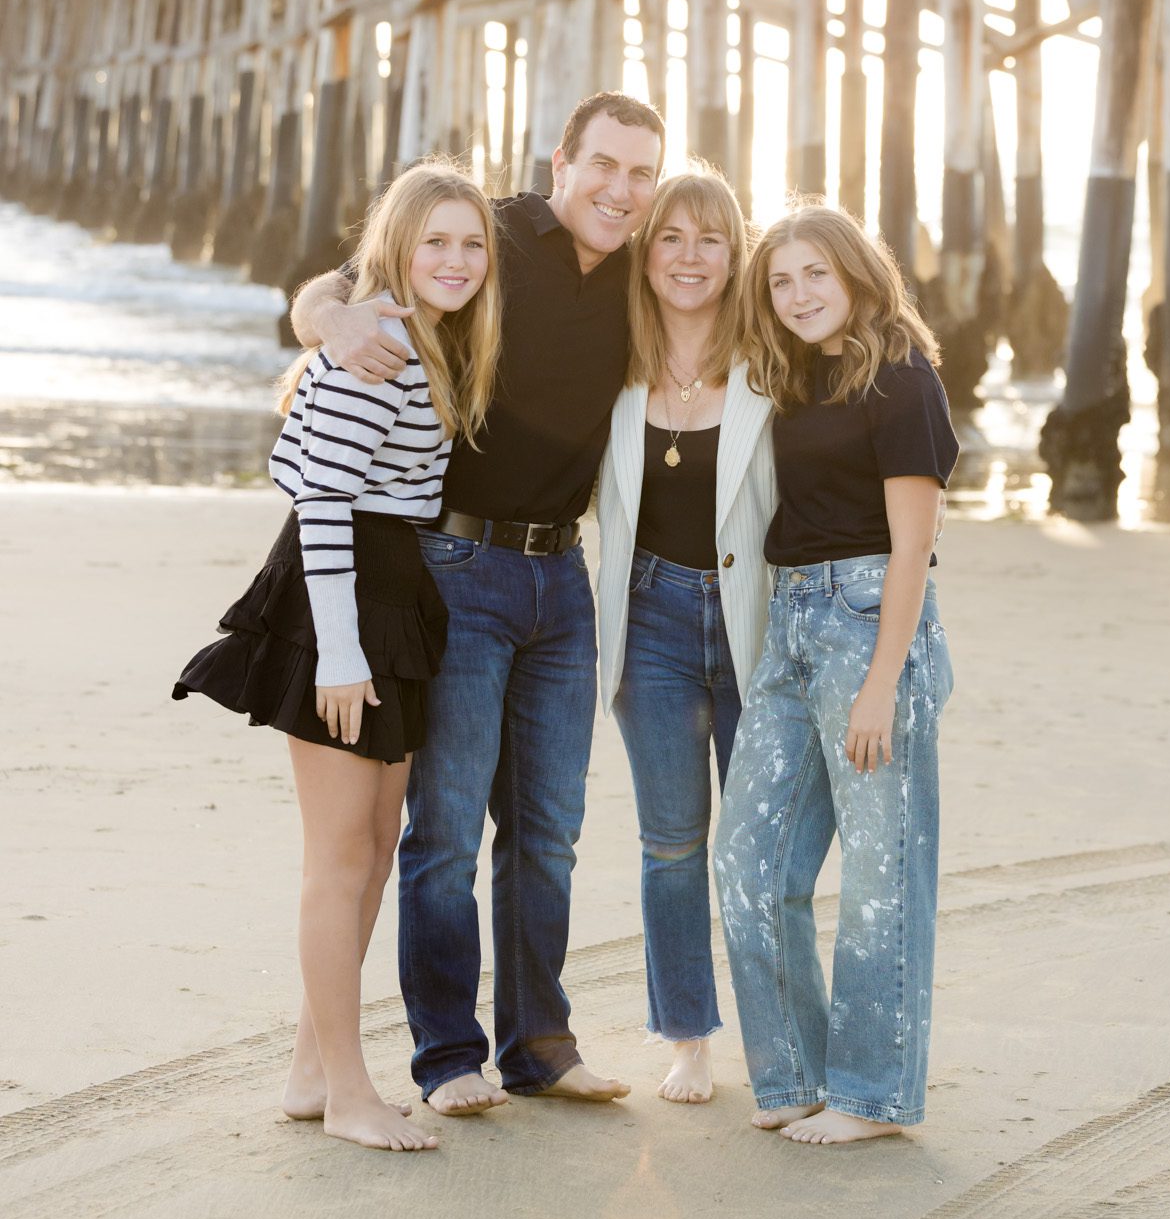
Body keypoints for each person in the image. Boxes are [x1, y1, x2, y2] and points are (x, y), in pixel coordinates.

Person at [290, 92, 664, 1114]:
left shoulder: (643, 269)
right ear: (562, 161)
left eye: (640, 173)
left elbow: (739, 290)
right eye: (603, 164)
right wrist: (330, 318)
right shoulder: (491, 235)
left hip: (562, 579)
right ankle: (448, 1056)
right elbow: (346, 278)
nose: (619, 190)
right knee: (445, 830)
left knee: (547, 830)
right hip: (457, 567)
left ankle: (539, 1046)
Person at [173, 160, 500, 1151]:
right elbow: (321, 501)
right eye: (435, 241)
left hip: (387, 585)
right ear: (396, 247)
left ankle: (314, 1070)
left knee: (375, 842)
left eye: (472, 243)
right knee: (340, 855)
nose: (457, 259)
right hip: (341, 592)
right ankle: (350, 1091)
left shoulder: (417, 339)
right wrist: (340, 655)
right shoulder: (380, 349)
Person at [713, 204, 958, 1147]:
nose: (798, 293)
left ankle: (870, 1097)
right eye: (780, 280)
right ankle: (792, 1076)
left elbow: (913, 548)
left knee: (880, 873)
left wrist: (882, 681)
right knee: (748, 862)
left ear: (857, 272)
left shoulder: (903, 378)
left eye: (815, 272)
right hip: (789, 624)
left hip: (868, 626)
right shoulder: (787, 374)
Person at [596, 170, 776, 1105]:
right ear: (645, 254)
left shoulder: (770, 360)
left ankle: (777, 1041)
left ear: (734, 256)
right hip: (650, 619)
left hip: (754, 621)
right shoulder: (609, 362)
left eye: (710, 239)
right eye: (670, 237)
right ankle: (687, 1038)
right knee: (671, 845)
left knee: (757, 848)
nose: (689, 257)